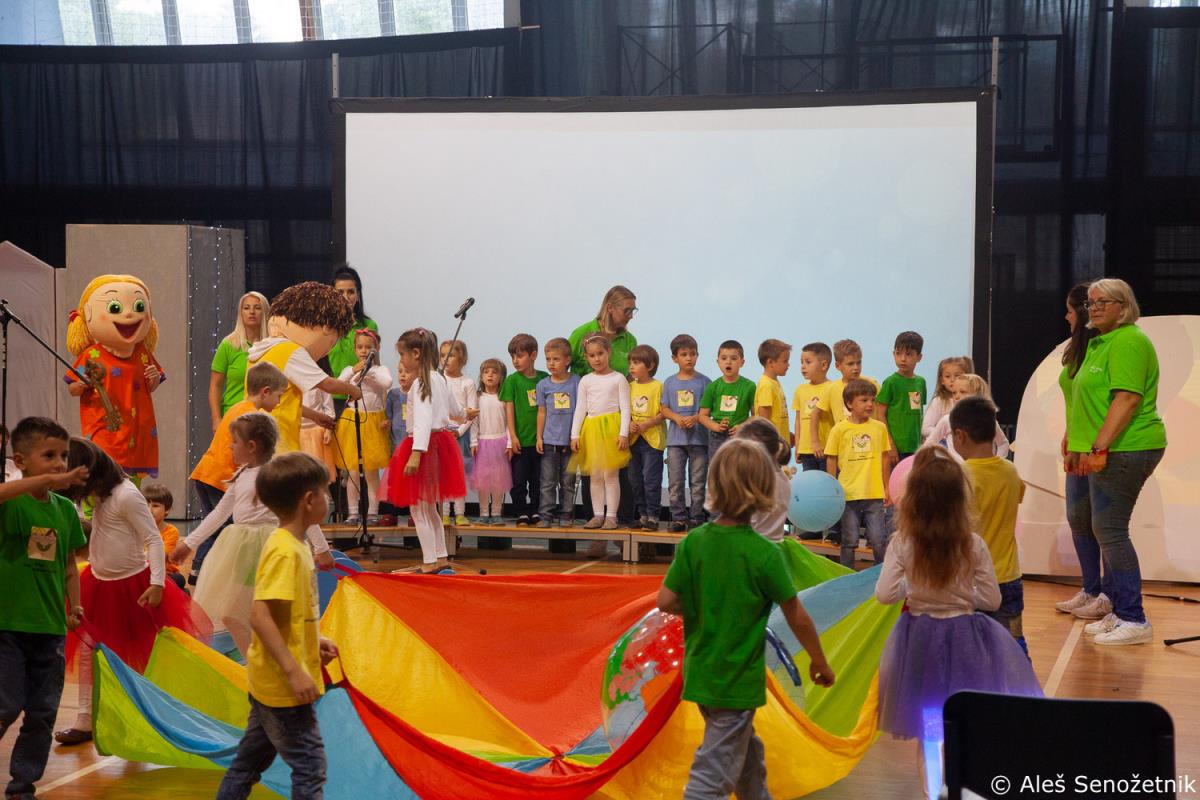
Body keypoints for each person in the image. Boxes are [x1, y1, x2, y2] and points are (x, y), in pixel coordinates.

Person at [657, 438, 835, 799]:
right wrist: (819, 661)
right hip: (736, 682)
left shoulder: (694, 542)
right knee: (711, 777)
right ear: (764, 491)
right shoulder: (764, 554)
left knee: (745, 753)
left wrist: (704, 606)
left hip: (701, 673)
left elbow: (666, 600)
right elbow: (797, 616)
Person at [874, 448, 1040, 792]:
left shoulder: (903, 543)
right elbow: (992, 600)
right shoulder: (973, 544)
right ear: (960, 499)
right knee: (961, 720)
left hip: (919, 641)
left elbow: (885, 594)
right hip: (966, 638)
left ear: (913, 499)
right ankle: (961, 786)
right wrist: (964, 597)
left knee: (929, 728)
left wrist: (914, 589)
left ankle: (933, 792)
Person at [58, 438, 211, 745]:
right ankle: (85, 718)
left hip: (132, 587)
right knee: (88, 651)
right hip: (99, 584)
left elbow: (153, 539)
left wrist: (157, 583)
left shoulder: (126, 495)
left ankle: (143, 716)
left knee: (137, 654)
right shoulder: (101, 496)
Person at [215, 452, 339, 800]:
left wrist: (313, 640)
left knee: (248, 764)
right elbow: (260, 615)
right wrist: (294, 672)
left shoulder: (293, 546)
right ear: (309, 500)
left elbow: (288, 613)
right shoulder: (286, 552)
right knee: (310, 767)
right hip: (283, 688)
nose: (328, 500)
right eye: (325, 492)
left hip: (270, 682)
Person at [173, 414, 333, 659]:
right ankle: (254, 661)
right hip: (242, 548)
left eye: (234, 442)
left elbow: (301, 511)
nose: (230, 447)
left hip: (270, 546)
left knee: (269, 610)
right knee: (232, 612)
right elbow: (219, 514)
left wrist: (321, 548)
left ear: (251, 446)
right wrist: (189, 543)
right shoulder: (241, 475)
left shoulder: (276, 475)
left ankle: (274, 658)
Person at [1064, 278, 1167, 645]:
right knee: (1102, 528)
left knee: (1110, 530)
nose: (1093, 308)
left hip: (1129, 447)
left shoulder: (1129, 341)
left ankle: (1134, 618)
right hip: (1109, 447)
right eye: (1090, 303)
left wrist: (1098, 447)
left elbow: (1127, 399)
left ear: (1124, 307)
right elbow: (1086, 401)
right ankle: (1117, 608)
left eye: (1102, 302)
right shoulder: (1101, 342)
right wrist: (1077, 443)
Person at [0, 418, 89, 798]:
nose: (59, 463)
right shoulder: (11, 501)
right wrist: (50, 480)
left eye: (63, 456)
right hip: (9, 626)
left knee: (42, 714)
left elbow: (68, 565)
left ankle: (22, 788)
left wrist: (75, 605)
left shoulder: (65, 510)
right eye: (49, 455)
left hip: (50, 629)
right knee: (5, 706)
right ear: (20, 460)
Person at [189, 361, 288, 587]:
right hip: (221, 477)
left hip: (206, 473)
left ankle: (198, 569)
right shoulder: (251, 417)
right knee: (227, 528)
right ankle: (214, 570)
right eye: (279, 396)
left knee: (215, 525)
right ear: (265, 392)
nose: (279, 401)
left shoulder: (237, 407)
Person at [64, 274, 165, 482]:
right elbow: (72, 389)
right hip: (104, 426)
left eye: (138, 307)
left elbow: (150, 386)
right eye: (116, 308)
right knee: (101, 475)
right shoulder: (91, 355)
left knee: (132, 482)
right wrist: (81, 385)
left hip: (137, 427)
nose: (128, 314)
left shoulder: (142, 353)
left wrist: (153, 378)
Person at [951, 397, 1028, 655]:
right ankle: (1023, 680)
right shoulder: (1010, 471)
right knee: (1013, 646)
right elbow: (1018, 495)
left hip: (971, 580)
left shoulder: (959, 477)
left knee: (970, 649)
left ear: (960, 436)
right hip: (1009, 577)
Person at [386, 328, 467, 573]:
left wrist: (416, 453)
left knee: (418, 508)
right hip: (439, 443)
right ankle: (440, 557)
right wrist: (466, 414)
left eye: (402, 355)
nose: (401, 360)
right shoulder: (439, 378)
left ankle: (430, 561)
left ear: (416, 353)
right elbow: (455, 410)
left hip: (424, 445)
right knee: (430, 507)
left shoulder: (421, 383)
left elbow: (422, 420)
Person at [247, 282, 360, 454]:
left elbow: (283, 404)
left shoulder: (260, 351)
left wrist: (315, 416)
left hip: (255, 439)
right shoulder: (290, 351)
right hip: (279, 442)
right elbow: (328, 384)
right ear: (325, 327)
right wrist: (353, 390)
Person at [1053, 283, 1109, 620]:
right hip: (1076, 445)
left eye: (1070, 310)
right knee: (1078, 519)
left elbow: (1108, 403)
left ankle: (1109, 596)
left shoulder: (1104, 350)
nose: (1066, 316)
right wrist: (1069, 434)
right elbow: (1076, 399)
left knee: (1105, 525)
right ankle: (1090, 588)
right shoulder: (1076, 349)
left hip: (1098, 448)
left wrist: (1094, 444)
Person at [570, 333, 632, 541]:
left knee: (611, 475)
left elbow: (625, 408)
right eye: (592, 355)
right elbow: (580, 409)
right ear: (586, 358)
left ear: (609, 353)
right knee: (595, 475)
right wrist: (575, 434)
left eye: (600, 354)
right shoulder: (586, 381)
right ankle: (597, 515)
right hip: (591, 430)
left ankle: (611, 516)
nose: (597, 359)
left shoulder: (618, 378)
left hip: (612, 429)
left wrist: (623, 433)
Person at [826, 379, 892, 567]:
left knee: (878, 540)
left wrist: (887, 487)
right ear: (849, 403)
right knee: (849, 540)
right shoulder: (839, 429)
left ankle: (880, 575)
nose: (870, 404)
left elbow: (885, 458)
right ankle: (846, 575)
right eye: (864, 400)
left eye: (872, 400)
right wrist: (833, 488)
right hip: (848, 494)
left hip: (874, 493)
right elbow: (831, 458)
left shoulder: (879, 428)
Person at [334, 328, 392, 525]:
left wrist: (369, 371)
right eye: (360, 347)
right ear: (354, 349)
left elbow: (387, 382)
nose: (364, 351)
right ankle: (352, 512)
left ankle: (373, 512)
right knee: (352, 471)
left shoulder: (380, 371)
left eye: (368, 347)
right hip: (352, 420)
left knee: (371, 471)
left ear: (377, 348)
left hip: (373, 423)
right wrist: (354, 371)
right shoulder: (350, 370)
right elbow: (338, 383)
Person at [661, 334, 710, 533]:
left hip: (699, 440)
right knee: (675, 482)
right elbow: (664, 408)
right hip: (675, 441)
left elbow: (709, 410)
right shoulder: (669, 382)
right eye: (684, 354)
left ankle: (697, 517)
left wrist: (696, 418)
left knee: (697, 483)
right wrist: (676, 418)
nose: (689, 358)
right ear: (675, 358)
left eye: (693, 354)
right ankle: (679, 518)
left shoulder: (705, 382)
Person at [501, 333, 547, 527]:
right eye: (512, 356)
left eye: (519, 356)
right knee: (518, 480)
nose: (515, 360)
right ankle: (521, 511)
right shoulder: (512, 380)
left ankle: (536, 510)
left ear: (533, 355)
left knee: (538, 480)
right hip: (520, 441)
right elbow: (509, 409)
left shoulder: (544, 379)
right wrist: (512, 436)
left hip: (539, 441)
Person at [535, 338, 580, 529]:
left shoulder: (576, 382)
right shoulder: (543, 385)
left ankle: (566, 514)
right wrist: (539, 437)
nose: (551, 363)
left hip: (569, 443)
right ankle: (546, 515)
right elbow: (542, 412)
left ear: (567, 360)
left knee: (568, 481)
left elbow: (581, 410)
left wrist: (577, 436)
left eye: (556, 359)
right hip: (549, 442)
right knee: (547, 481)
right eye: (548, 359)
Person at [209, 291, 270, 429]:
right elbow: (215, 385)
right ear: (240, 313)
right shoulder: (228, 345)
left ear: (265, 313)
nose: (252, 312)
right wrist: (216, 418)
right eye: (246, 308)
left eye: (257, 308)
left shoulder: (272, 345)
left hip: (264, 419)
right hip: (233, 417)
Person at [922, 374, 1010, 462]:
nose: (956, 396)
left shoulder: (989, 422)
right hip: (956, 470)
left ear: (978, 395)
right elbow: (928, 445)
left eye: (963, 392)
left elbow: (1003, 444)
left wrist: (996, 462)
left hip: (980, 469)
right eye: (954, 393)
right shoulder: (947, 420)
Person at [328, 264, 379, 409]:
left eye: (351, 292)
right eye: (340, 292)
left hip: (360, 397)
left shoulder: (369, 325)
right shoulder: (324, 326)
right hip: (330, 397)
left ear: (358, 295)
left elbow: (375, 363)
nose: (346, 297)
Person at [627, 344, 667, 531]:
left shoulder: (658, 386)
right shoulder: (629, 387)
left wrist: (647, 424)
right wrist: (629, 423)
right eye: (630, 363)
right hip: (633, 440)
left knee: (651, 480)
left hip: (652, 441)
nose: (631, 367)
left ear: (650, 366)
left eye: (636, 363)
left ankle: (653, 516)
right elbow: (624, 410)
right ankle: (642, 515)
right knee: (635, 480)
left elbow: (663, 412)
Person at [735, 418, 793, 544]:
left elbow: (748, 524)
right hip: (775, 545)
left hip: (755, 546)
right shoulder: (784, 478)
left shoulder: (758, 481)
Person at [440, 339, 478, 527]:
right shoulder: (439, 380)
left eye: (451, 355)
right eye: (442, 355)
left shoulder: (467, 382)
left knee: (459, 475)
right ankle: (445, 513)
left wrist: (459, 432)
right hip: (442, 434)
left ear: (462, 359)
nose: (445, 359)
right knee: (444, 475)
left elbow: (472, 413)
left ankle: (460, 513)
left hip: (460, 436)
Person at [698, 340, 757, 462]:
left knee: (741, 468)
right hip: (717, 437)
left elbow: (756, 415)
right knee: (717, 468)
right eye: (724, 358)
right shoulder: (712, 387)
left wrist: (742, 426)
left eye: (734, 358)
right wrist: (716, 426)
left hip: (741, 435)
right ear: (718, 362)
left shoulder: (750, 386)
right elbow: (702, 416)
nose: (728, 362)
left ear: (742, 362)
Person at [471, 358, 512, 525]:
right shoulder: (477, 398)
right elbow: (473, 422)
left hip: (500, 442)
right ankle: (483, 512)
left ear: (501, 377)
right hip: (482, 443)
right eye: (486, 372)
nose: (490, 375)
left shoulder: (504, 398)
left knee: (498, 480)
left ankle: (496, 512)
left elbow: (509, 422)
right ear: (481, 376)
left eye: (494, 372)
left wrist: (509, 443)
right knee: (483, 481)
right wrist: (473, 442)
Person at [875, 331, 926, 461]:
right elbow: (880, 415)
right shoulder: (891, 382)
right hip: (896, 448)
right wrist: (890, 444)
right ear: (894, 354)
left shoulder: (921, 382)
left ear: (919, 357)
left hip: (915, 447)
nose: (903, 359)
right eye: (898, 353)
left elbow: (919, 413)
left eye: (908, 354)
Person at [568, 285, 638, 378]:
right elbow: (560, 365)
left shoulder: (630, 341)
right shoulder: (581, 333)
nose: (631, 316)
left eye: (632, 311)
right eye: (627, 311)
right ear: (610, 308)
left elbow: (631, 377)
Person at [792, 341, 835, 473]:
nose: (803, 366)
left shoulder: (833, 388)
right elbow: (798, 420)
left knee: (827, 482)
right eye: (801, 362)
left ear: (824, 365)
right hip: (806, 451)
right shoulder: (800, 390)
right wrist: (798, 445)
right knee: (810, 482)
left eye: (808, 362)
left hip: (826, 449)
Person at [820, 339, 877, 426]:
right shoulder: (832, 389)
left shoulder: (872, 384)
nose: (856, 367)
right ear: (838, 366)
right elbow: (815, 413)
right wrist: (814, 435)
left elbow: (882, 412)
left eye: (858, 363)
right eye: (850, 364)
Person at [140, 481, 185, 591]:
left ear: (167, 510)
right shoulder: (137, 529)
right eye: (146, 505)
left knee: (179, 579)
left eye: (155, 506)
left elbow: (160, 557)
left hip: (166, 572)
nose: (149, 510)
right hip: (142, 571)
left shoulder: (171, 531)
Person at [922, 355, 973, 441]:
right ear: (942, 380)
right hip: (941, 446)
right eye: (947, 376)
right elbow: (925, 428)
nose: (952, 380)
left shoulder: (971, 402)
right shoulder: (939, 401)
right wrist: (947, 433)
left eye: (957, 376)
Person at [754, 339, 792, 444]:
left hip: (779, 441)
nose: (788, 365)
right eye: (785, 361)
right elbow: (764, 420)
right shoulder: (767, 385)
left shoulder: (774, 383)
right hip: (771, 445)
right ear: (770, 362)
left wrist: (787, 434)